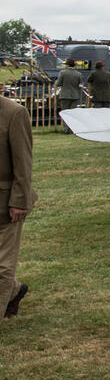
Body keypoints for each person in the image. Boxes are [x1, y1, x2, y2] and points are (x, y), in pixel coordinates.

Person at [1, 95, 36, 318]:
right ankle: (14, 291)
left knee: (3, 268)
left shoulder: (14, 113)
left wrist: (20, 201)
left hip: (5, 205)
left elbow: (23, 162)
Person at [54, 58, 83, 133]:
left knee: (65, 113)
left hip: (65, 95)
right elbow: (80, 84)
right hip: (75, 95)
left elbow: (59, 83)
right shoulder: (78, 74)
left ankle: (65, 129)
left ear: (67, 64)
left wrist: (56, 82)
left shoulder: (63, 73)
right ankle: (72, 129)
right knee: (72, 114)